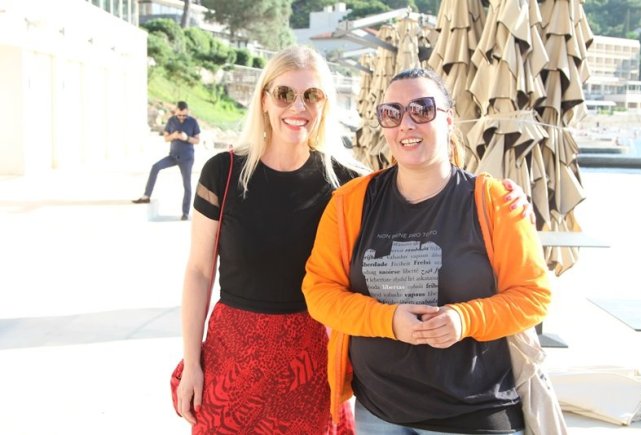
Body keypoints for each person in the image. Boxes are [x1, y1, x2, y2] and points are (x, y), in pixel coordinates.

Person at [175, 46, 533, 434]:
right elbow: (198, 272)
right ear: (264, 99)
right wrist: (192, 361)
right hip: (235, 352)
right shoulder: (223, 172)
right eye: (284, 94)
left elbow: (423, 175)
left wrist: (500, 196)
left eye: (312, 95)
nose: (298, 107)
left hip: (312, 359)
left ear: (325, 103)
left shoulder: (346, 183)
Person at [302, 68, 552, 434]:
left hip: (473, 415)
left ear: (448, 119)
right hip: (379, 412)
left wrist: (465, 319)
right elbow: (319, 292)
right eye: (392, 113)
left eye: (422, 109)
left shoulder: (494, 202)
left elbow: (534, 296)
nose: (406, 123)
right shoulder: (350, 202)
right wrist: (388, 320)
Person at [132, 101, 201, 221]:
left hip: (187, 159)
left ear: (187, 112)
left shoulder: (193, 122)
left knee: (187, 185)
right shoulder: (171, 121)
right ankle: (146, 196)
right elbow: (165, 138)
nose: (181, 117)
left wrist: (186, 138)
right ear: (176, 112)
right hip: (173, 156)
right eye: (179, 115)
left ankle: (185, 213)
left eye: (184, 115)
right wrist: (173, 136)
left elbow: (197, 140)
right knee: (155, 167)